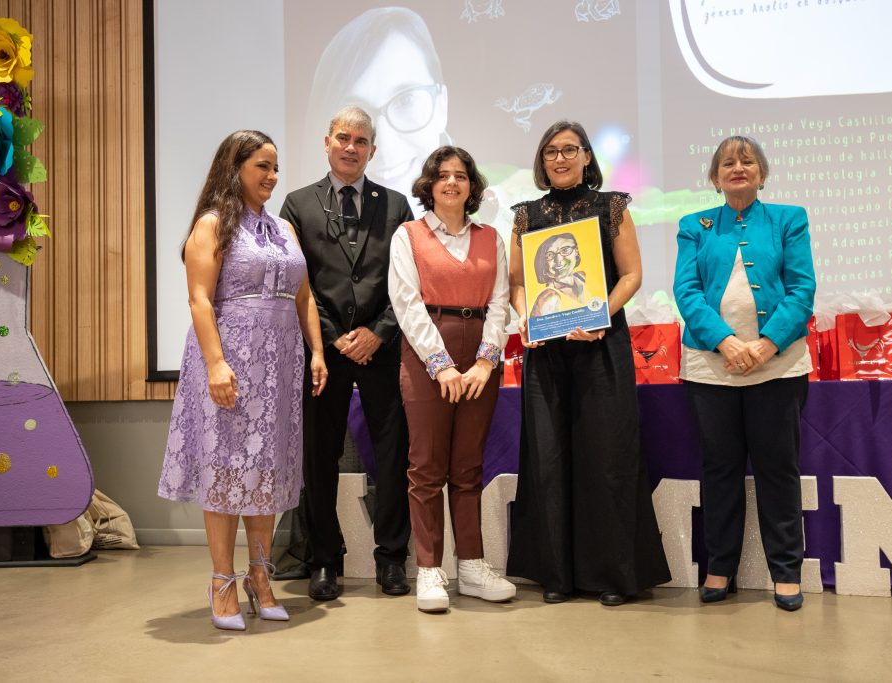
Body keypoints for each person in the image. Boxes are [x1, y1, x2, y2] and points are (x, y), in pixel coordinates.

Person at [157, 130, 328, 630]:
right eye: (262, 166)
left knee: (267, 471)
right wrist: (215, 363)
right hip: (231, 360)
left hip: (279, 365)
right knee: (227, 470)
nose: (273, 176)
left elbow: (304, 298)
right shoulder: (211, 225)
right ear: (235, 167)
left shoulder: (283, 229)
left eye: (276, 167)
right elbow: (199, 300)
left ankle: (260, 575)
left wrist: (317, 351)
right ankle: (221, 580)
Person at [506, 121, 671, 606]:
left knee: (607, 459)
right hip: (547, 354)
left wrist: (602, 314)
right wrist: (526, 318)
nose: (560, 158)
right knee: (549, 460)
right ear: (542, 160)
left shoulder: (610, 207)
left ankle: (612, 576)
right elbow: (518, 284)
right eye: (551, 151)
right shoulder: (525, 216)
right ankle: (556, 575)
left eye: (569, 150)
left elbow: (633, 274)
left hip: (600, 346)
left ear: (586, 157)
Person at [673, 135, 816, 611]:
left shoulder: (788, 220)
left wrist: (767, 344)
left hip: (779, 365)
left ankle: (786, 571)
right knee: (720, 469)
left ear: (762, 173)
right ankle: (720, 566)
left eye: (747, 161)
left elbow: (802, 289)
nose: (738, 168)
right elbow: (687, 292)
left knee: (778, 468)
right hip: (712, 366)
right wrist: (727, 342)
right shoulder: (694, 226)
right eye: (727, 163)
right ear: (715, 178)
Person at [279, 107, 414, 600]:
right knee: (319, 457)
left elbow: (407, 282)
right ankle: (322, 562)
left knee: (393, 455)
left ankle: (392, 560)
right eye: (343, 137)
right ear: (327, 142)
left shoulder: (397, 206)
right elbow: (298, 283)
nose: (351, 146)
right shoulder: (296, 205)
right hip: (322, 351)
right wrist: (333, 336)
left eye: (361, 140)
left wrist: (378, 331)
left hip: (384, 349)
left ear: (372, 151)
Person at [388, 146, 516, 612]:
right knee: (426, 468)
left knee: (467, 469)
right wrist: (441, 365)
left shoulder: (491, 238)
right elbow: (406, 303)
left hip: (480, 350)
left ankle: (472, 566)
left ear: (472, 186)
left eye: (461, 176)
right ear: (429, 185)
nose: (451, 183)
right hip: (427, 352)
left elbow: (500, 302)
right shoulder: (408, 235)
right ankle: (429, 570)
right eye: (442, 176)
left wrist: (484, 362)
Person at [302, 7, 449, 216]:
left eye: (406, 100)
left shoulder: (502, 199)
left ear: (442, 103)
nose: (384, 147)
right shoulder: (304, 209)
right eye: (358, 113)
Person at [529, 232, 586, 316]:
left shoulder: (581, 277)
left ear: (576, 251)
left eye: (565, 250)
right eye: (549, 255)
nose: (558, 260)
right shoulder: (549, 297)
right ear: (543, 263)